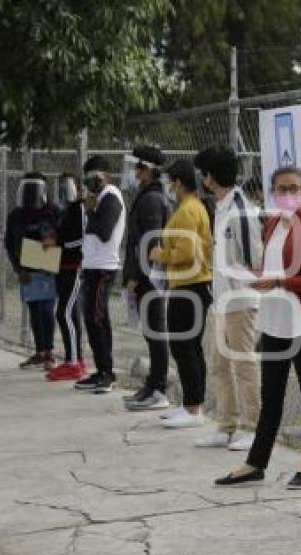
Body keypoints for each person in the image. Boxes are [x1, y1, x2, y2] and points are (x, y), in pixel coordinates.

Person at [215, 166, 301, 487]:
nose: (288, 194)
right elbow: (272, 267)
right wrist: (252, 274)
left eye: (294, 188)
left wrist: (280, 281)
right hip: (275, 320)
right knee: (272, 395)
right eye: (281, 189)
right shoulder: (273, 224)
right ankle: (256, 462)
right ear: (272, 192)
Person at [192, 146, 262, 451]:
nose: (201, 180)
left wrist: (242, 290)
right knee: (220, 364)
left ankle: (254, 426)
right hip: (221, 300)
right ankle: (227, 424)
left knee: (244, 364)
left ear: (211, 177)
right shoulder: (219, 207)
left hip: (240, 301)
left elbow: (253, 261)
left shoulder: (241, 210)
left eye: (203, 173)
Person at [148, 159, 213, 429]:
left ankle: (194, 407)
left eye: (169, 181)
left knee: (183, 346)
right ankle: (191, 404)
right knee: (189, 347)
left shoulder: (188, 210)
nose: (168, 187)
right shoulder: (191, 207)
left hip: (189, 285)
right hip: (191, 285)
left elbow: (185, 252)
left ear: (179, 182)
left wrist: (159, 254)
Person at [122, 146, 172, 410]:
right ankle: (152, 384)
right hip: (146, 276)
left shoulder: (152, 199)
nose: (134, 172)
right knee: (150, 330)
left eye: (138, 167)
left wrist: (137, 276)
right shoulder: (146, 195)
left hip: (151, 277)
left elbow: (150, 244)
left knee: (156, 330)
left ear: (149, 170)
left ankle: (158, 387)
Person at [73, 156, 126, 394]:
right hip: (92, 265)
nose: (90, 182)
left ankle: (108, 373)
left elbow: (105, 232)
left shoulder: (111, 196)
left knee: (97, 318)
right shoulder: (99, 197)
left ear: (106, 175)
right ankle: (101, 370)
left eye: (94, 176)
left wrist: (91, 211)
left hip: (104, 267)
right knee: (92, 319)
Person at [4, 173, 60, 370]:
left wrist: (53, 250)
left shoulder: (54, 211)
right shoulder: (16, 215)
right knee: (35, 311)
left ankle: (49, 353)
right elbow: (10, 244)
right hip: (27, 271)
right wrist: (18, 269)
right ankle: (40, 352)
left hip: (48, 270)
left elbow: (61, 237)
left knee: (46, 311)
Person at [47, 173, 86, 381]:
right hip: (63, 267)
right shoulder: (67, 210)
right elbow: (65, 236)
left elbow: (81, 240)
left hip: (74, 268)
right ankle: (75, 358)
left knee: (64, 313)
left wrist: (58, 244)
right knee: (68, 313)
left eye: (67, 186)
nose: (64, 190)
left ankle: (73, 363)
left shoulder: (79, 208)